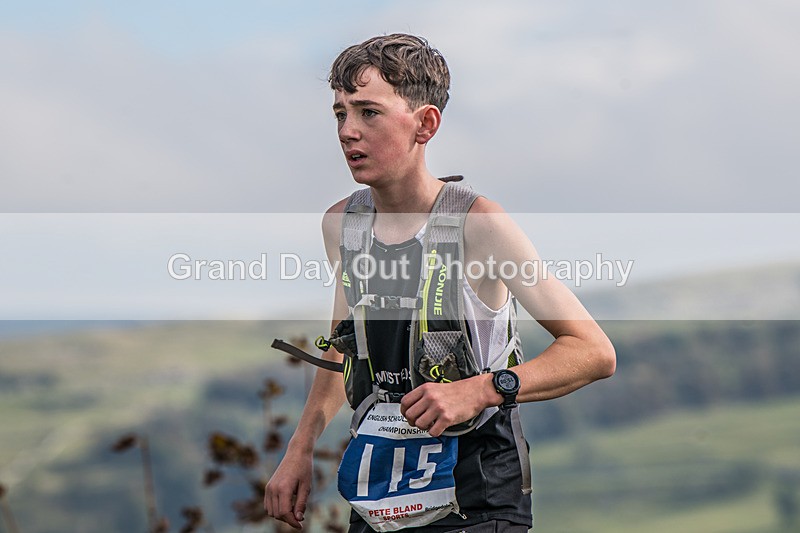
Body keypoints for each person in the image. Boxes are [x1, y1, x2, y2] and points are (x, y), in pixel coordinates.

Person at [264, 33, 616, 532]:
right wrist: (300, 448)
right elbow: (346, 346)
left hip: (479, 495)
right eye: (340, 113)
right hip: (379, 498)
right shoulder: (342, 224)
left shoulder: (480, 225)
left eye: (369, 112)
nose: (348, 130)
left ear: (425, 124)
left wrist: (482, 389)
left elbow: (593, 351)